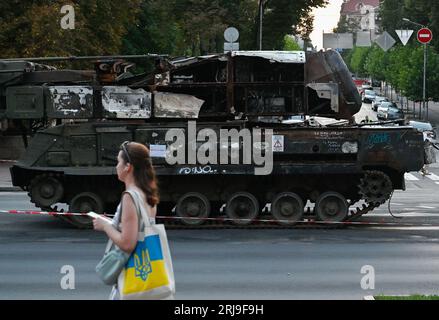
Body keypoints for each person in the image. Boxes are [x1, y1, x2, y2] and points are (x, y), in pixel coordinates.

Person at [93, 141, 159, 299]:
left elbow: (128, 244)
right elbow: (138, 229)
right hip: (146, 271)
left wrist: (105, 226)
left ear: (127, 166)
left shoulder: (130, 197)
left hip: (131, 274)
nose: (116, 166)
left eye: (118, 162)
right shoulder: (147, 194)